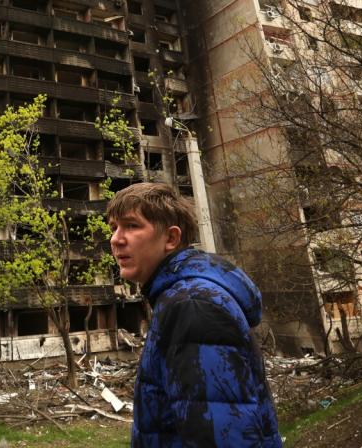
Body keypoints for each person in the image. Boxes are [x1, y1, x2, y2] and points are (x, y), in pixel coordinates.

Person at [107, 182, 282, 447]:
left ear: (171, 238)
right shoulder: (179, 297)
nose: (116, 239)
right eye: (114, 227)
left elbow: (220, 434)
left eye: (131, 226)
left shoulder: (193, 305)